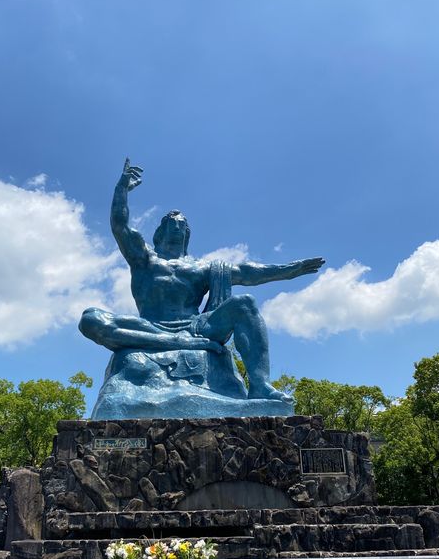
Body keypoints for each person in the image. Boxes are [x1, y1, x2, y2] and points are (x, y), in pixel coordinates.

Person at [81, 159, 324, 401]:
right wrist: (121, 189)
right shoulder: (144, 258)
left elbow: (248, 273)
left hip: (196, 326)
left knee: (245, 304)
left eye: (182, 224)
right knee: (90, 318)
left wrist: (290, 270)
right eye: (171, 223)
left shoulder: (202, 268)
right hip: (150, 325)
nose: (177, 226)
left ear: (187, 233)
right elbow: (120, 226)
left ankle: (260, 385)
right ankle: (173, 342)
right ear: (160, 230)